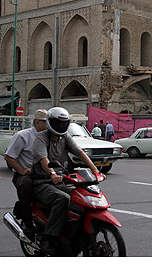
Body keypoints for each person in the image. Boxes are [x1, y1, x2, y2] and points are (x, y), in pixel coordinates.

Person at [32, 107, 103, 255]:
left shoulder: (65, 137)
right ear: (50, 122)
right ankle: (49, 238)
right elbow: (43, 159)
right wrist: (52, 173)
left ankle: (74, 235)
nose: (60, 126)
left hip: (61, 180)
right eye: (57, 123)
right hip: (42, 182)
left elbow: (79, 152)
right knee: (62, 199)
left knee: (81, 196)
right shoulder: (41, 137)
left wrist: (94, 169)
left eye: (63, 123)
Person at [4, 109, 47, 234]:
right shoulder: (23, 136)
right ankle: (27, 220)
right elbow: (9, 156)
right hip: (27, 173)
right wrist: (22, 171)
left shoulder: (49, 137)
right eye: (45, 122)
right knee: (26, 185)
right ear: (37, 123)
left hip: (45, 172)